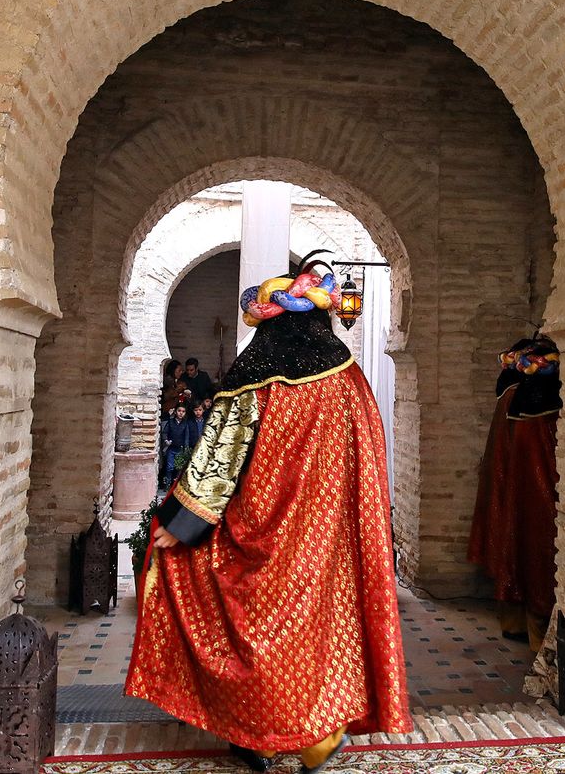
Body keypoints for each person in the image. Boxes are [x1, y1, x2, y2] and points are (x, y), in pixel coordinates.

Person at [127, 255, 410, 773]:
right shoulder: (351, 383)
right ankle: (316, 736)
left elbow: (218, 459)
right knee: (318, 632)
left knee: (240, 614)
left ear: (267, 321)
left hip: (261, 536)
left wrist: (180, 524)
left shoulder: (252, 381)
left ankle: (259, 735)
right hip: (328, 544)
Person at [467, 336, 562, 652]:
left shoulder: (510, 394)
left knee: (518, 539)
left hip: (515, 488)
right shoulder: (539, 399)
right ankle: (538, 633)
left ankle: (517, 623)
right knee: (538, 548)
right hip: (536, 494)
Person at [158, 404, 196, 492]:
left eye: (183, 412)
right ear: (175, 412)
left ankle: (176, 486)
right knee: (169, 467)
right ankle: (167, 484)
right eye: (179, 411)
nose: (181, 413)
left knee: (179, 468)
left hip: (180, 448)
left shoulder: (185, 423)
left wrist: (185, 449)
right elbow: (165, 433)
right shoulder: (170, 422)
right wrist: (166, 440)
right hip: (171, 448)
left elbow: (187, 436)